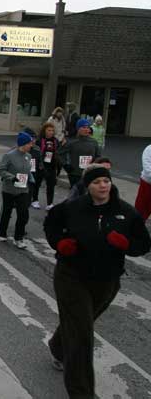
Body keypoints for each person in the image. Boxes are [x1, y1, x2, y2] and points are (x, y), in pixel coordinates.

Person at [44, 165, 151, 398]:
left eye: (106, 181)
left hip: (107, 280)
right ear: (88, 187)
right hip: (71, 277)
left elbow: (143, 243)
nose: (103, 186)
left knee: (81, 323)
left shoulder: (126, 212)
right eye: (96, 182)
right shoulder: (72, 208)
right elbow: (51, 225)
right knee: (82, 334)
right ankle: (81, 392)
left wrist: (126, 244)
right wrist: (60, 243)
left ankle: (58, 346)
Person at [0, 132, 34, 248]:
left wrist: (32, 180)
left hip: (23, 190)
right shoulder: (9, 156)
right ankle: (2, 232)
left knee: (23, 214)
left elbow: (28, 172)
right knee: (7, 212)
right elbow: (0, 170)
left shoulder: (29, 156)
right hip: (9, 189)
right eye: (29, 143)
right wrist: (11, 178)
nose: (31, 145)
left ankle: (19, 238)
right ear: (23, 144)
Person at [59, 118, 102, 187]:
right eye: (83, 127)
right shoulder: (71, 141)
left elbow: (98, 156)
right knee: (76, 194)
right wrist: (66, 165)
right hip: (75, 174)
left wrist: (95, 166)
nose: (86, 129)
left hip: (89, 173)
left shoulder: (94, 142)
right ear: (78, 129)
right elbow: (60, 154)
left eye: (88, 127)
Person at [36, 122, 61, 210]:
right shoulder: (39, 140)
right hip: (41, 165)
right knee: (37, 183)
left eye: (52, 131)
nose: (51, 132)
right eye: (49, 130)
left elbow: (58, 152)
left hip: (52, 165)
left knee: (51, 185)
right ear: (44, 131)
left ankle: (49, 203)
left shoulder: (55, 141)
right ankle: (35, 200)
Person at [136, 144, 151, 221]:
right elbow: (147, 169)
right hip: (147, 184)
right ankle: (136, 228)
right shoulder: (149, 149)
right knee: (141, 209)